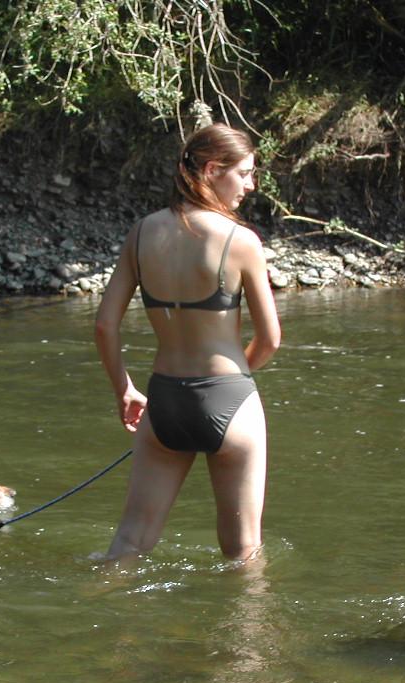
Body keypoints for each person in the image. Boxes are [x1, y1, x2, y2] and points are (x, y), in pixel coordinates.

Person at [94, 123, 281, 560]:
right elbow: (271, 338)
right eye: (245, 173)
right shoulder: (241, 241)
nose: (250, 186)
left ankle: (104, 617)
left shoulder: (142, 233)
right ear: (214, 169)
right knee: (243, 553)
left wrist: (124, 390)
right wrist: (232, 383)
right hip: (229, 397)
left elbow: (105, 325)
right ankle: (245, 629)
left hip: (164, 404)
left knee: (128, 543)